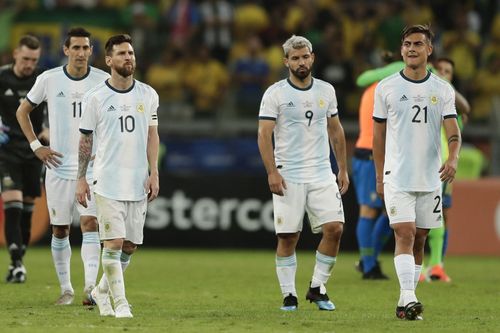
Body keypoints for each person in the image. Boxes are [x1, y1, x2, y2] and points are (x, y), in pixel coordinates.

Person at [372, 25, 461, 320]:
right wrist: (379, 175)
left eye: (418, 44)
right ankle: (408, 297)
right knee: (405, 233)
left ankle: (405, 301)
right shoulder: (386, 87)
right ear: (401, 50)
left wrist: (454, 158)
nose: (411, 48)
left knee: (421, 236)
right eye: (407, 44)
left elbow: (453, 133)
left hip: (430, 177)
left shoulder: (442, 89)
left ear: (429, 50)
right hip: (397, 175)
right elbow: (378, 137)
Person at [16, 28, 110, 305]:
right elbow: (22, 111)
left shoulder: (103, 81)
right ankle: (66, 289)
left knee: (90, 224)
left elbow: (110, 121)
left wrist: (102, 150)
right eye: (76, 48)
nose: (81, 53)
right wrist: (36, 146)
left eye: (86, 48)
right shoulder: (49, 79)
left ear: (91, 51)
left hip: (91, 170)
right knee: (60, 230)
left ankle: (89, 288)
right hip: (57, 167)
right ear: (66, 50)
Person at [257, 35, 348, 312]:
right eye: (294, 58)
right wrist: (272, 171)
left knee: (335, 229)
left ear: (312, 57)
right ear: (286, 61)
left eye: (304, 56)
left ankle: (318, 288)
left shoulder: (326, 91)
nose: (300, 62)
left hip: (321, 172)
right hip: (289, 173)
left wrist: (342, 167)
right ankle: (289, 295)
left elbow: (336, 130)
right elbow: (264, 135)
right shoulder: (275, 94)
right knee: (288, 236)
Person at [76, 34, 159, 319]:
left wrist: (154, 172)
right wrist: (80, 178)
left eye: (131, 53)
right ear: (109, 60)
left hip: (137, 182)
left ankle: (101, 291)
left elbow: (152, 134)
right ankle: (120, 304)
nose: (129, 58)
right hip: (107, 181)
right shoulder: (95, 97)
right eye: (122, 53)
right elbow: (85, 140)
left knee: (130, 246)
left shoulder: (148, 94)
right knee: (112, 243)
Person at [422, 57, 471, 283]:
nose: (442, 73)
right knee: (417, 216)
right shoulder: (422, 94)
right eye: (438, 69)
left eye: (447, 71)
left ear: (452, 77)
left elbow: (465, 109)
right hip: (421, 163)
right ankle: (420, 267)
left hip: (443, 165)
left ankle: (437, 265)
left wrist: (442, 83)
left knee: (441, 214)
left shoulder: (451, 103)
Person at [0, 35, 44, 283]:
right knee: (12, 204)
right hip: (6, 151)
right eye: (26, 58)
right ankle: (17, 264)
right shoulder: (2, 77)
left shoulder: (42, 80)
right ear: (16, 54)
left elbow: (51, 113)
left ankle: (18, 261)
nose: (29, 64)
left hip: (34, 150)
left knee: (27, 210)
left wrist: (47, 131)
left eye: (34, 60)